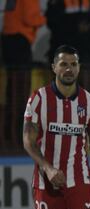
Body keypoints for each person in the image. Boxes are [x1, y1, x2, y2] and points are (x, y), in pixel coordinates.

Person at [23, 45, 90, 209]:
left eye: (73, 64)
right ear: (53, 67)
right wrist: (48, 168)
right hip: (46, 179)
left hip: (79, 176)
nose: (69, 69)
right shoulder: (38, 99)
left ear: (79, 67)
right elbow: (28, 140)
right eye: (63, 64)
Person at [1, 0, 46, 148]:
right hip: (20, 41)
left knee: (11, 92)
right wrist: (45, 18)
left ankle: (8, 135)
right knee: (20, 93)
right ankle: (17, 138)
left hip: (8, 39)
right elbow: (30, 18)